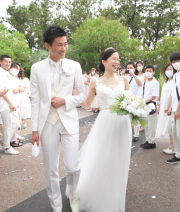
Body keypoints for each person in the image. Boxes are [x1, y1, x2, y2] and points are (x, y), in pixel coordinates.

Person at [30, 25, 85, 212]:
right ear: (47, 45)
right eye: (59, 45)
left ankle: (72, 193)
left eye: (65, 44)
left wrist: (65, 100)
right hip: (47, 124)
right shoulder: (36, 68)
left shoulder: (74, 66)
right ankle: (56, 206)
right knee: (50, 170)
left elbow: (82, 96)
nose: (64, 48)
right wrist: (34, 130)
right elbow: (35, 101)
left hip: (69, 121)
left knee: (73, 167)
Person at [77, 47, 131, 212]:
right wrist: (76, 97)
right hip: (105, 121)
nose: (117, 62)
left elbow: (131, 101)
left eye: (118, 59)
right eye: (113, 58)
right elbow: (87, 104)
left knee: (120, 159)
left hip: (123, 123)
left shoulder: (124, 80)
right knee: (102, 157)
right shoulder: (95, 81)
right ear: (104, 61)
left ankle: (115, 195)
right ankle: (98, 194)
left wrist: (137, 111)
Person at [0, 54, 19, 155]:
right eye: (6, 61)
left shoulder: (7, 74)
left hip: (11, 102)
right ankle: (7, 147)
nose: (8, 63)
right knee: (8, 125)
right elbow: (1, 91)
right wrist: (10, 103)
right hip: (5, 103)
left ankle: (4, 144)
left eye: (9, 62)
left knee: (16, 123)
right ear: (0, 62)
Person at [155, 63, 176, 154]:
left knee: (171, 127)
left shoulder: (175, 81)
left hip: (170, 107)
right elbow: (163, 95)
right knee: (168, 127)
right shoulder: (166, 81)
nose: (168, 71)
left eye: (170, 69)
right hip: (164, 106)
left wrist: (169, 106)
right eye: (167, 69)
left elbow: (173, 95)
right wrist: (160, 106)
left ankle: (173, 147)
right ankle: (171, 146)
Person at [140, 65, 159, 149]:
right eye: (147, 71)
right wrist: (141, 101)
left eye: (150, 71)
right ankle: (147, 140)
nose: (148, 72)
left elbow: (154, 96)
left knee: (152, 124)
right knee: (146, 124)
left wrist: (145, 101)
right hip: (145, 105)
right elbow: (142, 94)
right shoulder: (144, 82)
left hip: (151, 105)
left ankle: (151, 142)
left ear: (153, 72)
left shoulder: (155, 82)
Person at [8, 63, 24, 147]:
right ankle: (7, 141)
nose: (16, 70)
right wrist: (19, 89)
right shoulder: (7, 77)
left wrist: (19, 89)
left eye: (18, 69)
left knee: (16, 123)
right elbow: (14, 91)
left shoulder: (15, 78)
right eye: (15, 68)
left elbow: (22, 88)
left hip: (17, 103)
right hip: (11, 103)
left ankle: (12, 140)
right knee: (14, 124)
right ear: (11, 68)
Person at [126, 61, 143, 142]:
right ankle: (128, 134)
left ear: (134, 68)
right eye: (128, 68)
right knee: (127, 118)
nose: (129, 69)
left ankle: (136, 134)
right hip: (127, 100)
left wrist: (134, 75)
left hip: (135, 100)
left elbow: (140, 84)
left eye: (131, 68)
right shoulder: (125, 77)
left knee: (135, 118)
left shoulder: (137, 77)